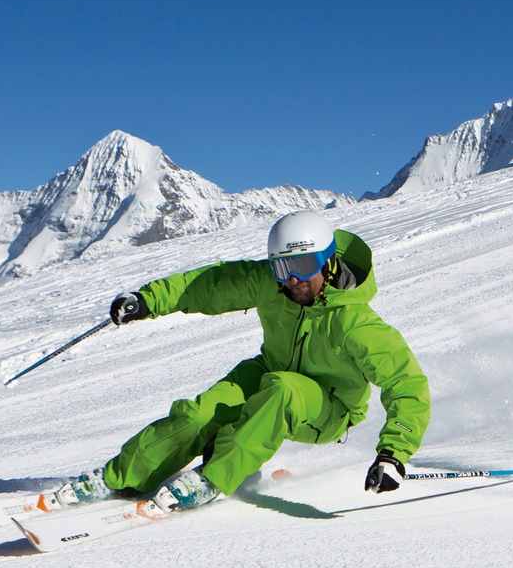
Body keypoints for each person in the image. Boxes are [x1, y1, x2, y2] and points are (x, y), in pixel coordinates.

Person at [54, 210, 431, 512]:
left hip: (329, 409)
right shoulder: (274, 286)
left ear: (327, 260)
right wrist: (150, 299)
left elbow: (407, 383)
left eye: (304, 264)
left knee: (284, 390)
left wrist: (393, 455)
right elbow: (211, 284)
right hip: (270, 373)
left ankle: (214, 478)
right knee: (201, 413)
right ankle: (122, 476)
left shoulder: (357, 323)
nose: (294, 280)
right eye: (283, 268)